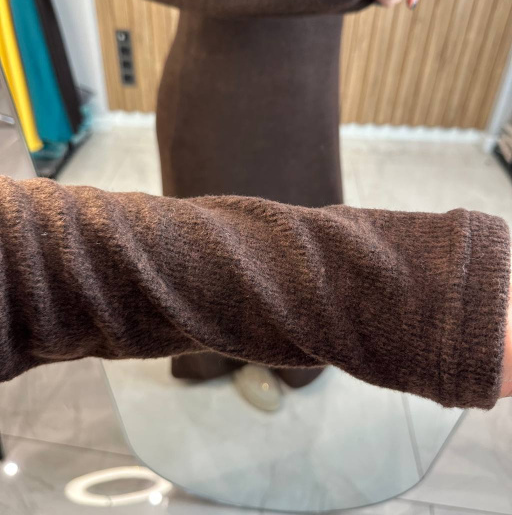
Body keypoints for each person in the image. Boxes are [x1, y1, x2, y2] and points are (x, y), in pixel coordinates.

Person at [125, 0, 421, 403]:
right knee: (219, 255)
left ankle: (288, 353)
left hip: (307, 115)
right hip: (219, 116)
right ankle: (228, 356)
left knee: (304, 252)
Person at [0, 175, 510, 411]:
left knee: (295, 204)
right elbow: (37, 264)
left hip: (306, 77)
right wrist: (439, 297)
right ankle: (222, 370)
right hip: (222, 79)